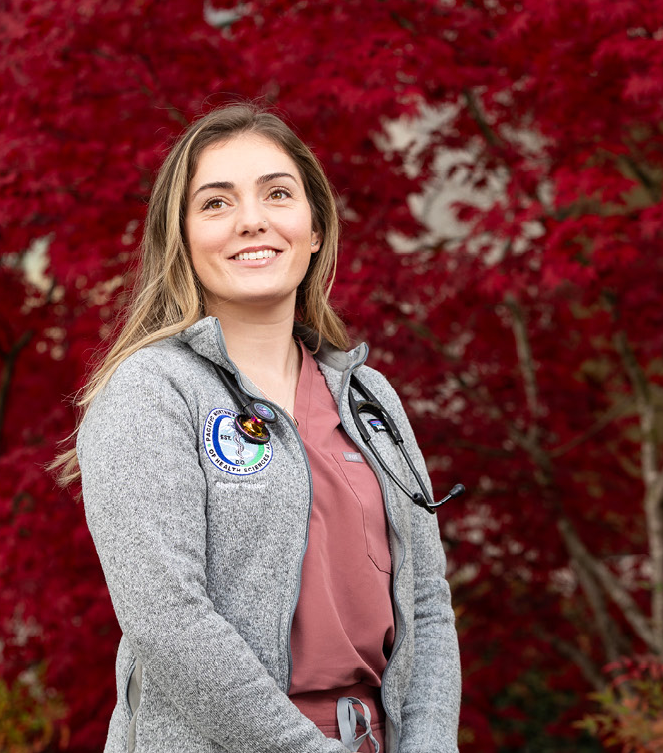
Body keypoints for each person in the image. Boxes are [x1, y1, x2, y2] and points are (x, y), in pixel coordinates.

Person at [54, 102, 461, 753]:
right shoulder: (151, 393)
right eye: (216, 203)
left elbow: (428, 604)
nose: (252, 220)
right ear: (183, 237)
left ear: (315, 226)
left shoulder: (369, 399)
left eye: (277, 193)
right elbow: (167, 620)